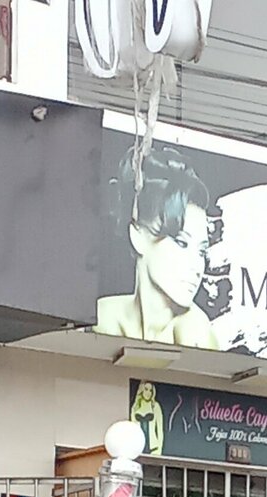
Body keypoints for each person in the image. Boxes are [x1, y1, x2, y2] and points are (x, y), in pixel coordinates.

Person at [95, 147, 219, 349]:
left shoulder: (196, 332)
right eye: (181, 243)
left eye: (202, 252)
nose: (197, 267)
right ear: (138, 236)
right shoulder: (103, 316)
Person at [130, 381, 164, 456]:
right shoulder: (135, 407)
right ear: (142, 390)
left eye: (150, 390)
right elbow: (132, 430)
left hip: (153, 448)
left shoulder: (155, 406)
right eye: (146, 389)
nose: (148, 393)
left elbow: (160, 430)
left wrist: (159, 449)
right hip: (138, 448)